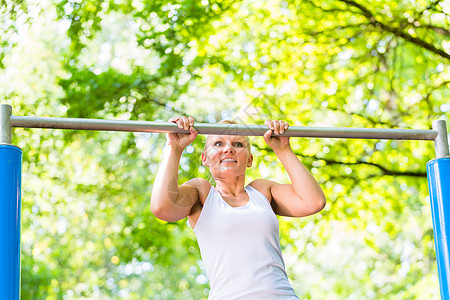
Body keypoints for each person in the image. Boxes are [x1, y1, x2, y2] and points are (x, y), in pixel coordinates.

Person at [151, 116, 326, 300]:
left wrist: (283, 149)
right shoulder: (201, 193)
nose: (228, 149)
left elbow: (313, 202)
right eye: (218, 143)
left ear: (249, 160)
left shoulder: (263, 191)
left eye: (238, 144)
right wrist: (175, 148)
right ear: (205, 159)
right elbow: (162, 207)